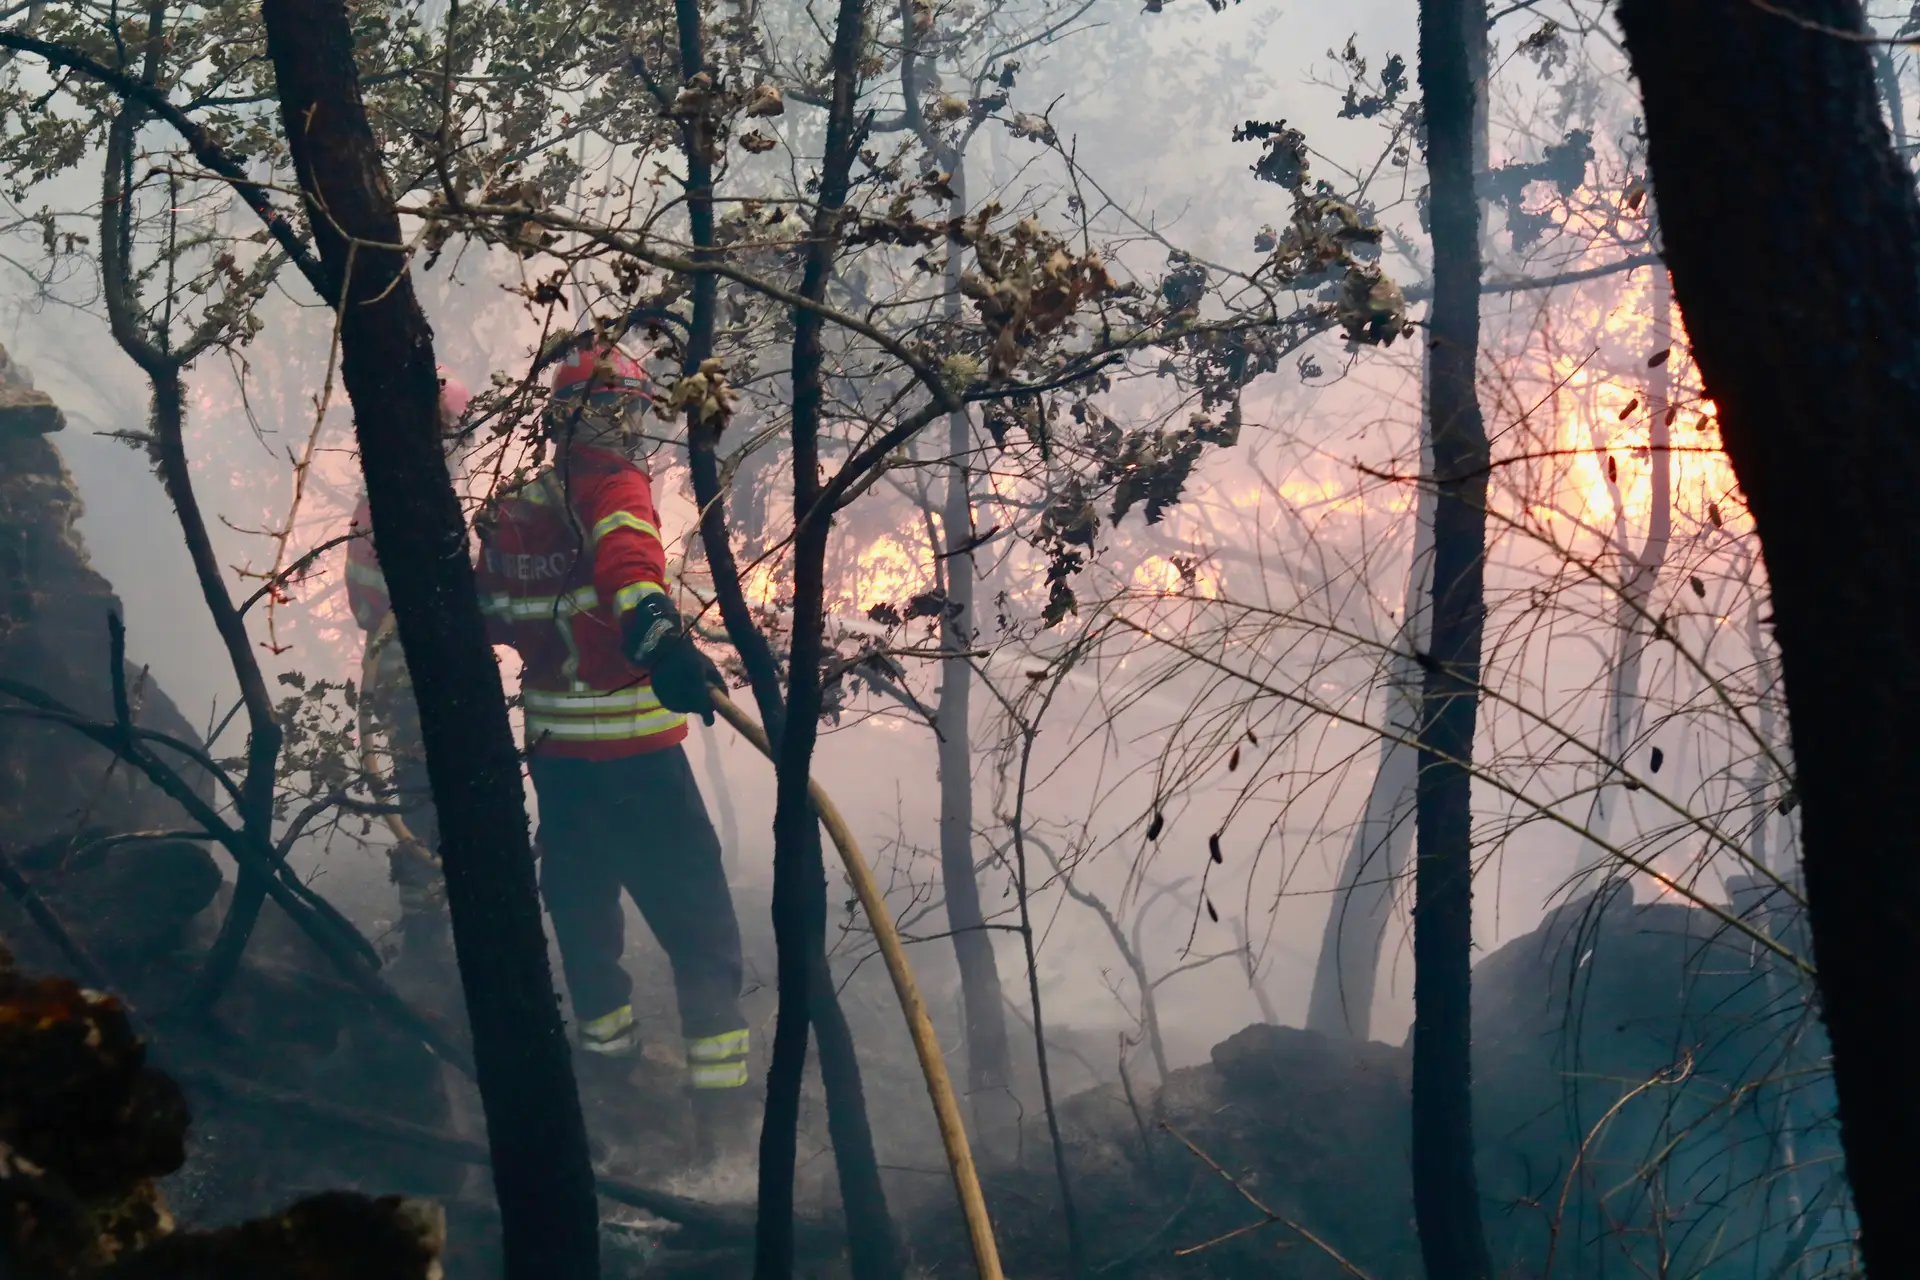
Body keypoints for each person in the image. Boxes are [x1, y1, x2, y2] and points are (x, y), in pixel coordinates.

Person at [472, 343, 753, 1157]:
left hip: (560, 770)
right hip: (639, 764)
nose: (619, 428)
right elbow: (633, 568)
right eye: (616, 412)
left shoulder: (515, 508)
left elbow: (486, 616)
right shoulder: (618, 484)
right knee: (703, 937)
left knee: (585, 926)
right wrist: (659, 638)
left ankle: (609, 1086)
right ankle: (723, 1127)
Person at [346, 366, 471, 968]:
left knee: (435, 791)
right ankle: (428, 929)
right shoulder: (397, 499)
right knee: (426, 794)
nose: (459, 443)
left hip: (420, 668)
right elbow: (370, 597)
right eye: (453, 430)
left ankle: (439, 917)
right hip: (411, 672)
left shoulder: (400, 493)